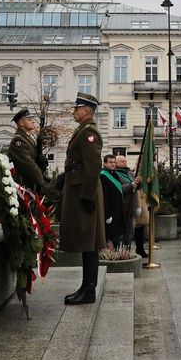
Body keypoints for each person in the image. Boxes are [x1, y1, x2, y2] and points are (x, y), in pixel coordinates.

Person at [60, 93, 104, 305]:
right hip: (80, 190)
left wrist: (87, 196)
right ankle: (87, 287)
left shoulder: (90, 132)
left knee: (89, 242)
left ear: (87, 111)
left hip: (84, 192)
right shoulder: (83, 130)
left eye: (77, 108)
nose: (74, 112)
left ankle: (89, 289)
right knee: (88, 242)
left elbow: (93, 166)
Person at [6, 108, 45, 194]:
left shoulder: (28, 138)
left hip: (28, 184)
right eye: (29, 119)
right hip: (21, 186)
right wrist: (42, 181)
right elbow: (28, 164)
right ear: (21, 123)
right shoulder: (18, 141)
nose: (33, 122)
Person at [99, 154, 125, 248]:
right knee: (112, 238)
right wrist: (107, 214)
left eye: (114, 162)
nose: (113, 164)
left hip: (118, 211)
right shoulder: (103, 176)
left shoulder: (115, 174)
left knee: (118, 236)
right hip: (110, 212)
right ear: (105, 163)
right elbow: (103, 197)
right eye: (110, 162)